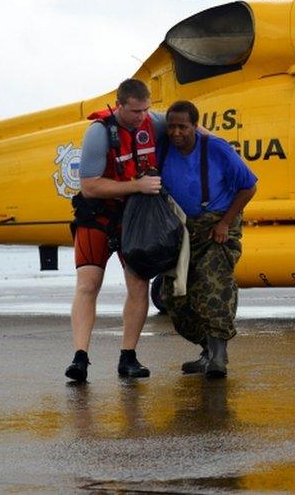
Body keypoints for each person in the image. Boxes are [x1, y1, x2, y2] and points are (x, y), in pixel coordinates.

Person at [65, 79, 166, 381]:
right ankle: (80, 358)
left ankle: (128, 357)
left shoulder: (154, 122)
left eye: (145, 110)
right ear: (119, 106)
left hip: (133, 219)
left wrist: (213, 140)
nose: (141, 117)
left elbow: (187, 126)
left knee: (138, 285)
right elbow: (90, 186)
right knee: (88, 284)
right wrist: (136, 186)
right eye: (135, 111)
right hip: (97, 215)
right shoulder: (99, 133)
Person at [159, 100, 257, 378]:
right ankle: (206, 350)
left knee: (214, 286)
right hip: (181, 230)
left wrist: (225, 222)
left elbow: (249, 187)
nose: (176, 132)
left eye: (183, 127)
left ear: (195, 126)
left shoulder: (215, 148)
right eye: (171, 127)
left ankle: (218, 358)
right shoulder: (164, 150)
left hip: (216, 226)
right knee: (175, 298)